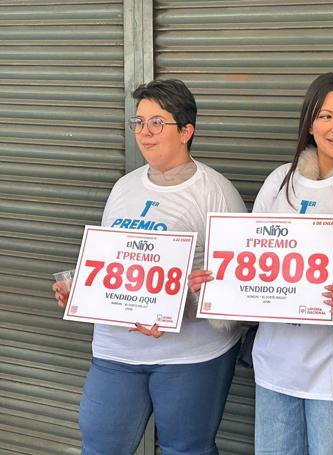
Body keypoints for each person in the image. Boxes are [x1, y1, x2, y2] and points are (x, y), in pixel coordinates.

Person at [189, 71, 333, 455]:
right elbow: (249, 258)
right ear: (310, 122)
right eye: (326, 116)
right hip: (275, 371)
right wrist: (215, 287)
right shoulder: (280, 180)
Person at [52, 79, 246, 455]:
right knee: (101, 446)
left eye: (157, 123)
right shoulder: (124, 187)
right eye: (139, 123)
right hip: (115, 351)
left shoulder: (216, 192)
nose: (145, 133)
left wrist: (179, 305)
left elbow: (236, 287)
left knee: (185, 450)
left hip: (188, 356)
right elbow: (114, 262)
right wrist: (81, 289)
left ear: (187, 131)